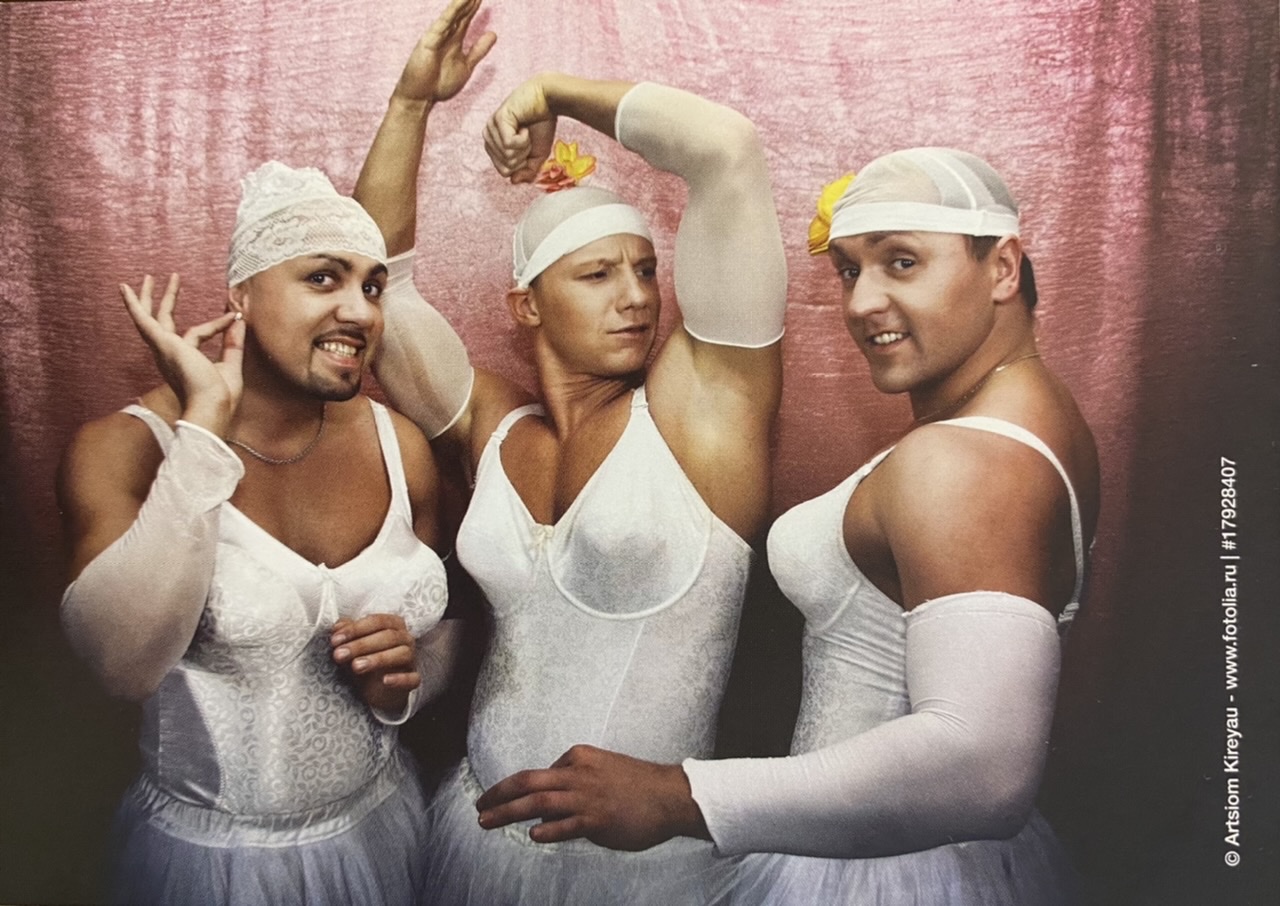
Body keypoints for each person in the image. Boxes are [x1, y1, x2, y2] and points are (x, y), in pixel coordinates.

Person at [475, 147, 1100, 905]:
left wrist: (680, 796)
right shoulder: (1024, 419)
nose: (861, 302)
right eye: (849, 270)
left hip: (891, 875)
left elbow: (982, 771)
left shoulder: (968, 459)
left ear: (1002, 268)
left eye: (902, 262)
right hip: (873, 851)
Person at [352, 2, 786, 901]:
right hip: (478, 842)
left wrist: (552, 90)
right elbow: (379, 290)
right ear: (527, 306)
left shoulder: (701, 415)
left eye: (646, 270)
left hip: (641, 875)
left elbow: (728, 151)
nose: (638, 297)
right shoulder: (497, 429)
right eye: (598, 274)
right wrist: (410, 104)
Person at [57, 160, 462, 906]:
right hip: (214, 867)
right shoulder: (126, 449)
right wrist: (203, 430)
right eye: (323, 278)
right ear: (240, 295)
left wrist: (408, 677)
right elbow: (121, 665)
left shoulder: (398, 442)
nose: (360, 312)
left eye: (373, 287)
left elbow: (449, 629)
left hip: (382, 830)